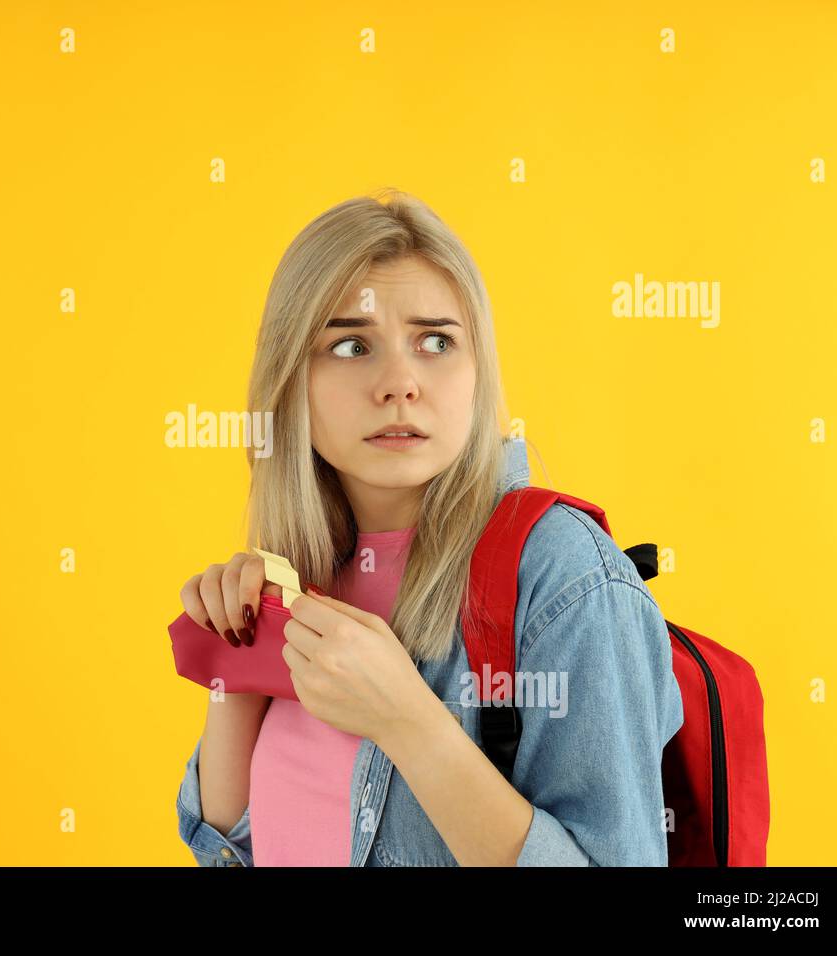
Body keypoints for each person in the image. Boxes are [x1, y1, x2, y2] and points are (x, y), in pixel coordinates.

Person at [173, 188, 684, 866]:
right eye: (352, 345)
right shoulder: (304, 575)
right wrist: (238, 662)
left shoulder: (567, 580)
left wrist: (408, 722)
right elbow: (235, 850)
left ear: (478, 370)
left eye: (436, 341)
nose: (400, 383)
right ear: (290, 380)